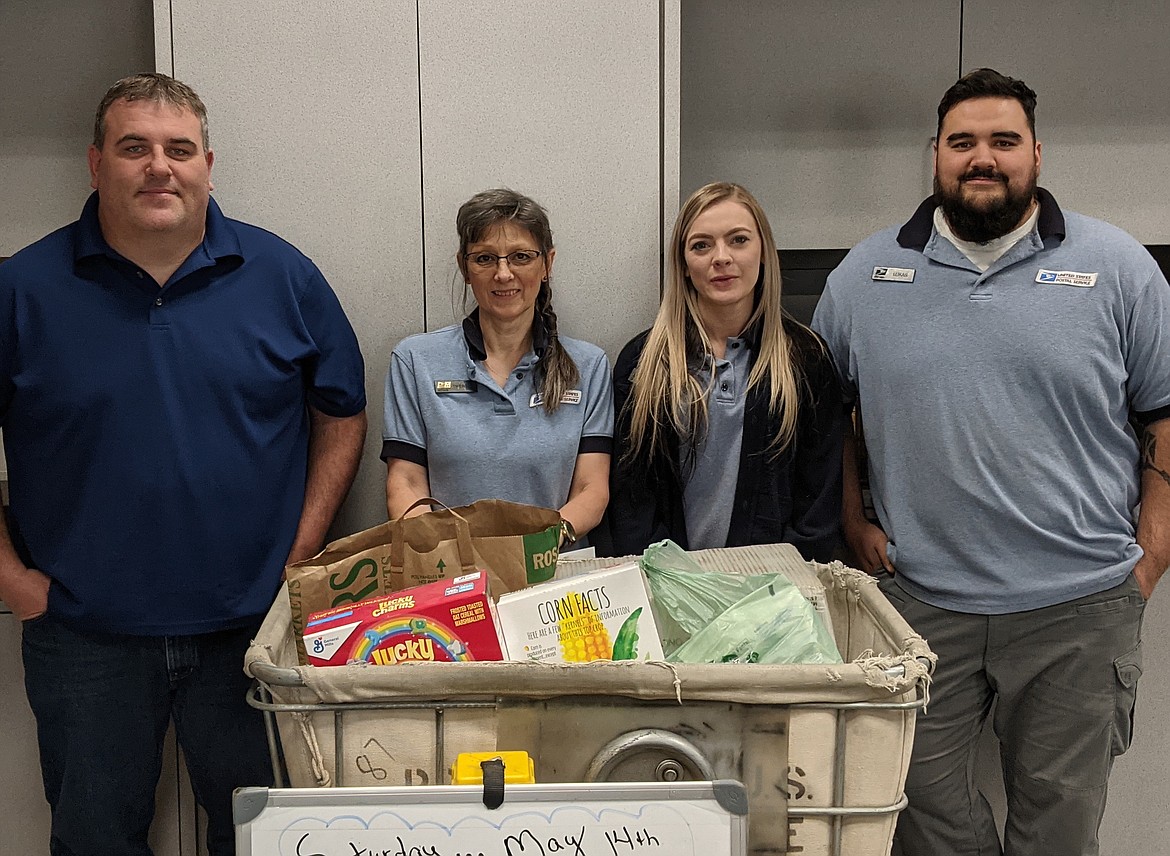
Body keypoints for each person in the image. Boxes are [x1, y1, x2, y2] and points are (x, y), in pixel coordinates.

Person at [0, 73, 367, 856]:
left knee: (266, 842)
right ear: (96, 163)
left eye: (178, 149)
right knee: (93, 841)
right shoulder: (20, 289)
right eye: (134, 148)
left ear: (209, 163)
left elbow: (341, 412)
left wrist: (299, 556)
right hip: (82, 636)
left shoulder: (283, 277)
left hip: (252, 631)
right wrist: (9, 577)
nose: (158, 167)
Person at [812, 68, 1170, 856]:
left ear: (1036, 154)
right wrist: (851, 517)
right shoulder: (864, 277)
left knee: (1059, 824)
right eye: (963, 142)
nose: (984, 158)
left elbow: (1164, 413)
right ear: (935, 155)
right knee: (912, 807)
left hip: (1079, 606)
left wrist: (1152, 552)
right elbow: (826, 419)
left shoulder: (1118, 267)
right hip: (919, 605)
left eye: (1003, 141)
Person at [607, 182, 843, 558]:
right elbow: (631, 501)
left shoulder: (807, 358)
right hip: (672, 586)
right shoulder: (644, 361)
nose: (721, 257)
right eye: (701, 245)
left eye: (738, 240)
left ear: (763, 251)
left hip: (774, 589)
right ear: (684, 265)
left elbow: (819, 500)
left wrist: (784, 584)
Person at [382, 188, 612, 546]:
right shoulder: (415, 361)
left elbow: (591, 489)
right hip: (454, 574)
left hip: (553, 569)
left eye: (520, 257)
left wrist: (533, 551)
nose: (503, 274)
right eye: (486, 258)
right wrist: (446, 557)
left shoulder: (589, 366)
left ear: (547, 263)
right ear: (465, 268)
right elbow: (406, 484)